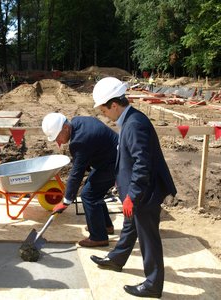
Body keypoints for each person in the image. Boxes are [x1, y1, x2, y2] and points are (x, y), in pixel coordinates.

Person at [90, 77, 177, 298]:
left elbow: (142, 163)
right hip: (135, 193)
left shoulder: (135, 124)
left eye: (104, 110)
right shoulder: (129, 121)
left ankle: (152, 284)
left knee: (148, 238)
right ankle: (117, 259)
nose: (104, 115)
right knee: (130, 226)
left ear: (114, 105)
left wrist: (133, 195)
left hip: (144, 194)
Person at [42, 113, 117, 247]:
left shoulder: (79, 141)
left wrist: (65, 201)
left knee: (88, 195)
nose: (57, 142)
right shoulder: (78, 121)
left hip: (115, 164)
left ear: (65, 127)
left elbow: (76, 173)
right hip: (109, 159)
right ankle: (105, 226)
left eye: (57, 137)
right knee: (93, 190)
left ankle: (98, 237)